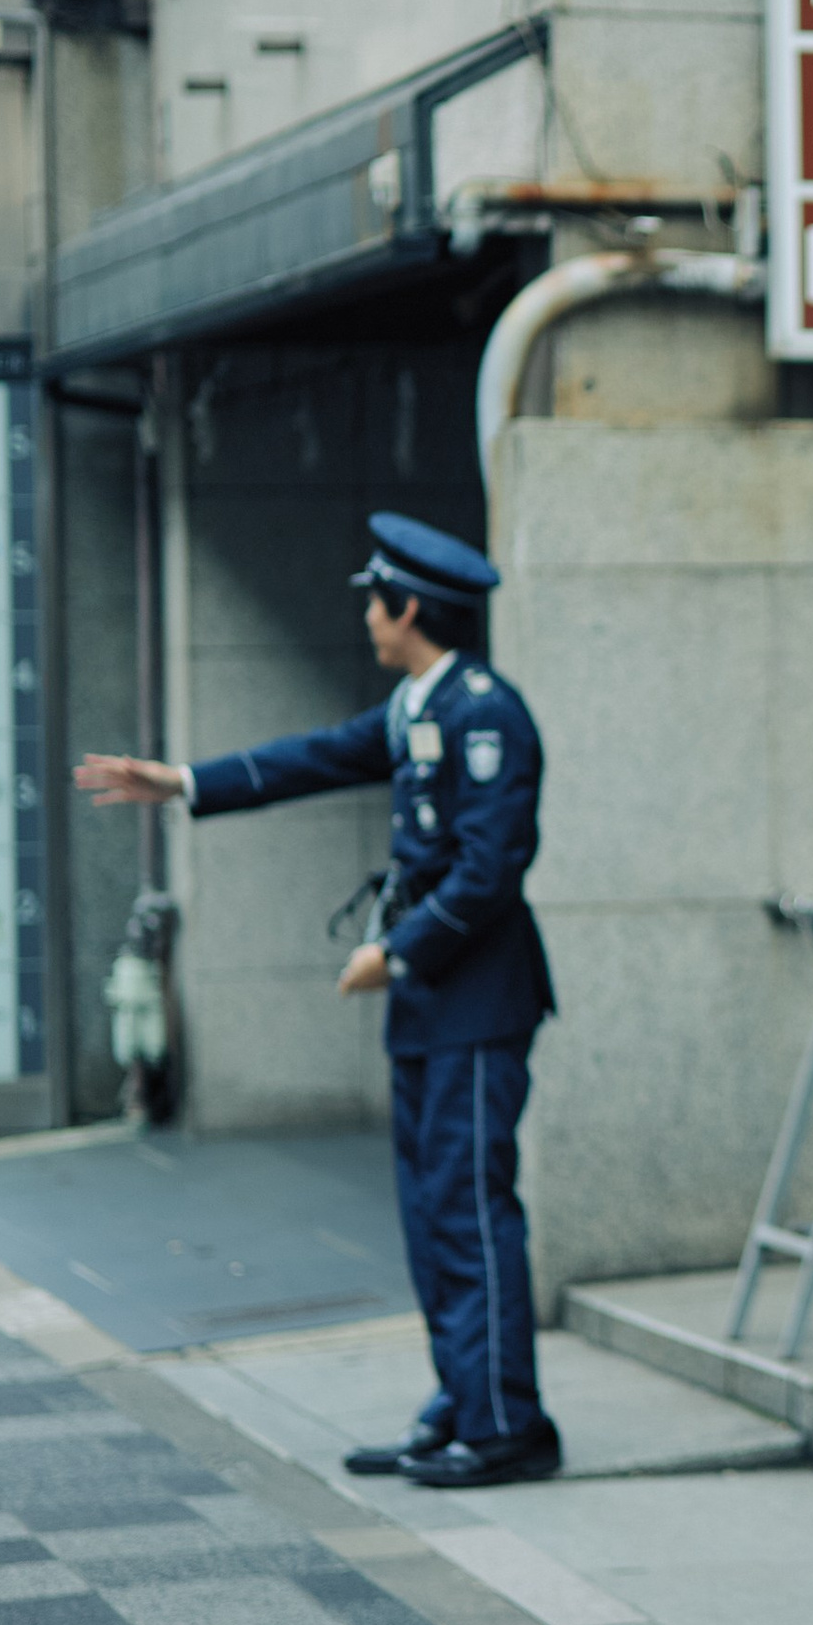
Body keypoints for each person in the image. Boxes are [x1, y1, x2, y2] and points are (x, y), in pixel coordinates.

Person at [75, 514, 561, 1489]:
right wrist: (179, 783)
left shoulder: (484, 712)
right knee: (432, 1216)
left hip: (473, 1003)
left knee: (468, 1209)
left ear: (408, 607)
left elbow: (491, 870)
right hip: (431, 1006)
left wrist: (398, 949)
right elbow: (319, 756)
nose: (368, 619)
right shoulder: (419, 703)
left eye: (373, 601)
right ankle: (464, 1401)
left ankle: (509, 1424)